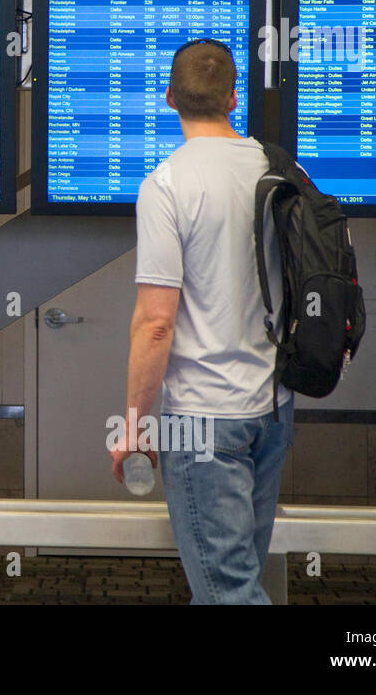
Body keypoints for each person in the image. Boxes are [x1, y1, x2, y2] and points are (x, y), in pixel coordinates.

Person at [108, 38, 293, 605]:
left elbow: (156, 323)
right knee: (231, 582)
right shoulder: (279, 169)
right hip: (273, 410)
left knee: (227, 595)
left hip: (203, 421)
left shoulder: (167, 185)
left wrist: (135, 425)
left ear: (169, 98)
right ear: (234, 97)